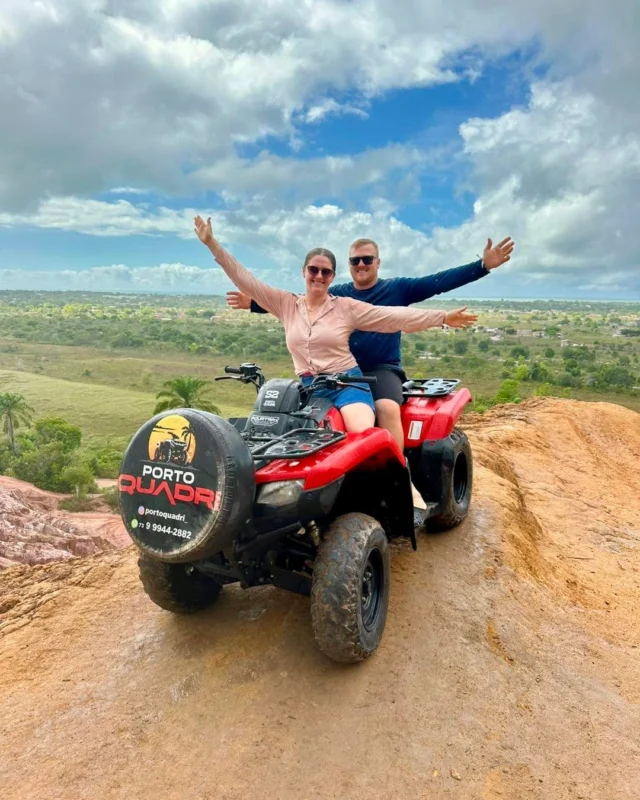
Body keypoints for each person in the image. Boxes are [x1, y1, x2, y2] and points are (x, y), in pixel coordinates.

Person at [194, 215, 477, 437]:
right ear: (304, 272)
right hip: (310, 386)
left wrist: (442, 317)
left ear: (332, 276)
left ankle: (400, 479)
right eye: (313, 269)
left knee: (362, 435)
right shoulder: (285, 304)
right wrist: (211, 244)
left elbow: (393, 317)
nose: (318, 275)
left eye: (325, 271)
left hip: (348, 385)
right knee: (285, 435)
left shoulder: (345, 306)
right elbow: (245, 279)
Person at [227, 235, 513, 450]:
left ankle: (401, 474)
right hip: (333, 373)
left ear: (378, 262)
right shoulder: (338, 293)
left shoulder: (397, 288)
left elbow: (437, 282)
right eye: (355, 261)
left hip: (380, 368)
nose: (361, 264)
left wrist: (482, 266)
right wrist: (254, 304)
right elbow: (301, 305)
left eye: (367, 259)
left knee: (386, 408)